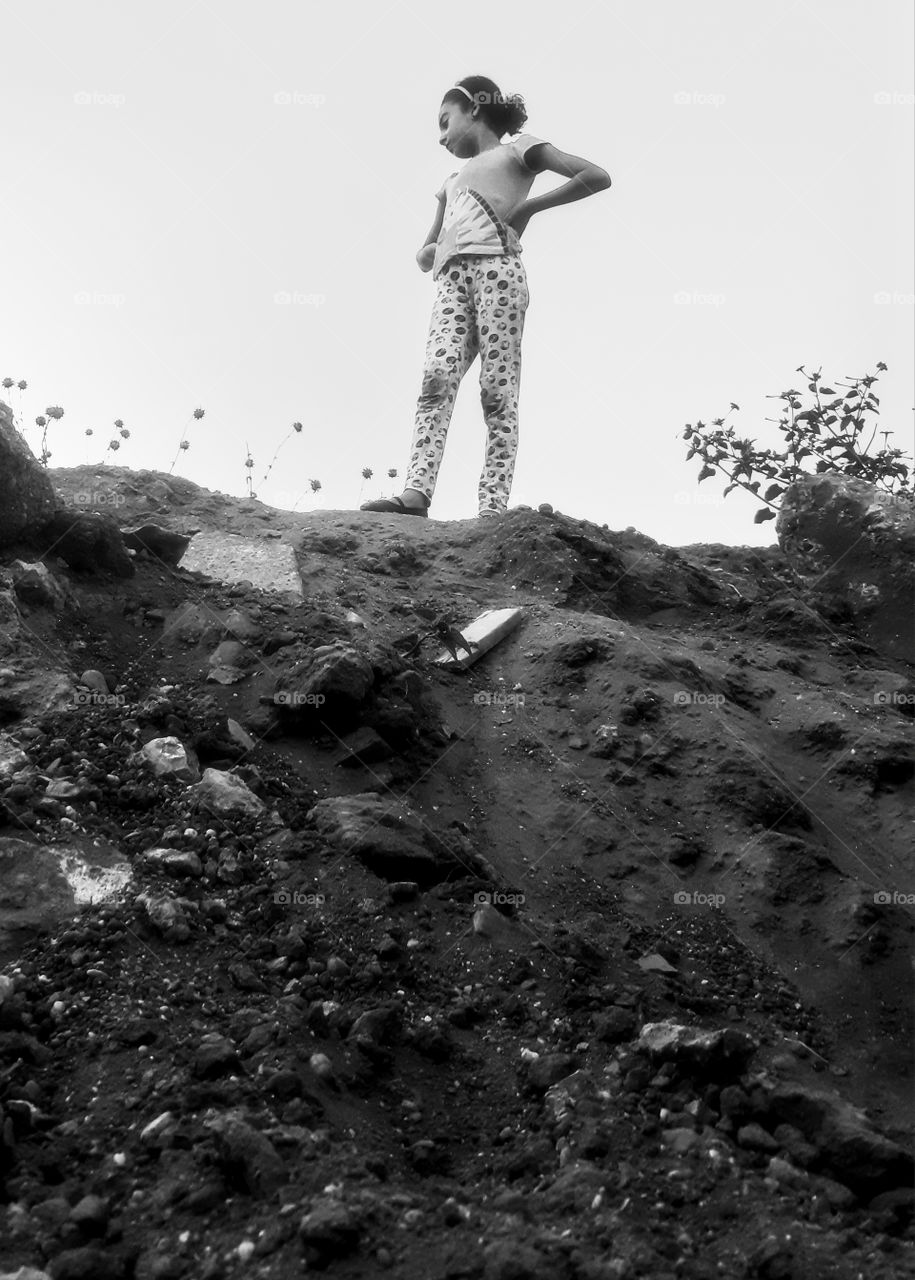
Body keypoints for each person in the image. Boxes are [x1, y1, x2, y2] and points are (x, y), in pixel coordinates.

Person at [360, 74, 611, 520]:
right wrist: (431, 249)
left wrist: (530, 206)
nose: (440, 137)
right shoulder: (451, 181)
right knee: (437, 376)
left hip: (498, 271)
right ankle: (416, 491)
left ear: (474, 108)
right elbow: (424, 253)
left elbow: (595, 176)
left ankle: (492, 506)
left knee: (498, 387)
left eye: (444, 121)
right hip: (451, 282)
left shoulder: (519, 149)